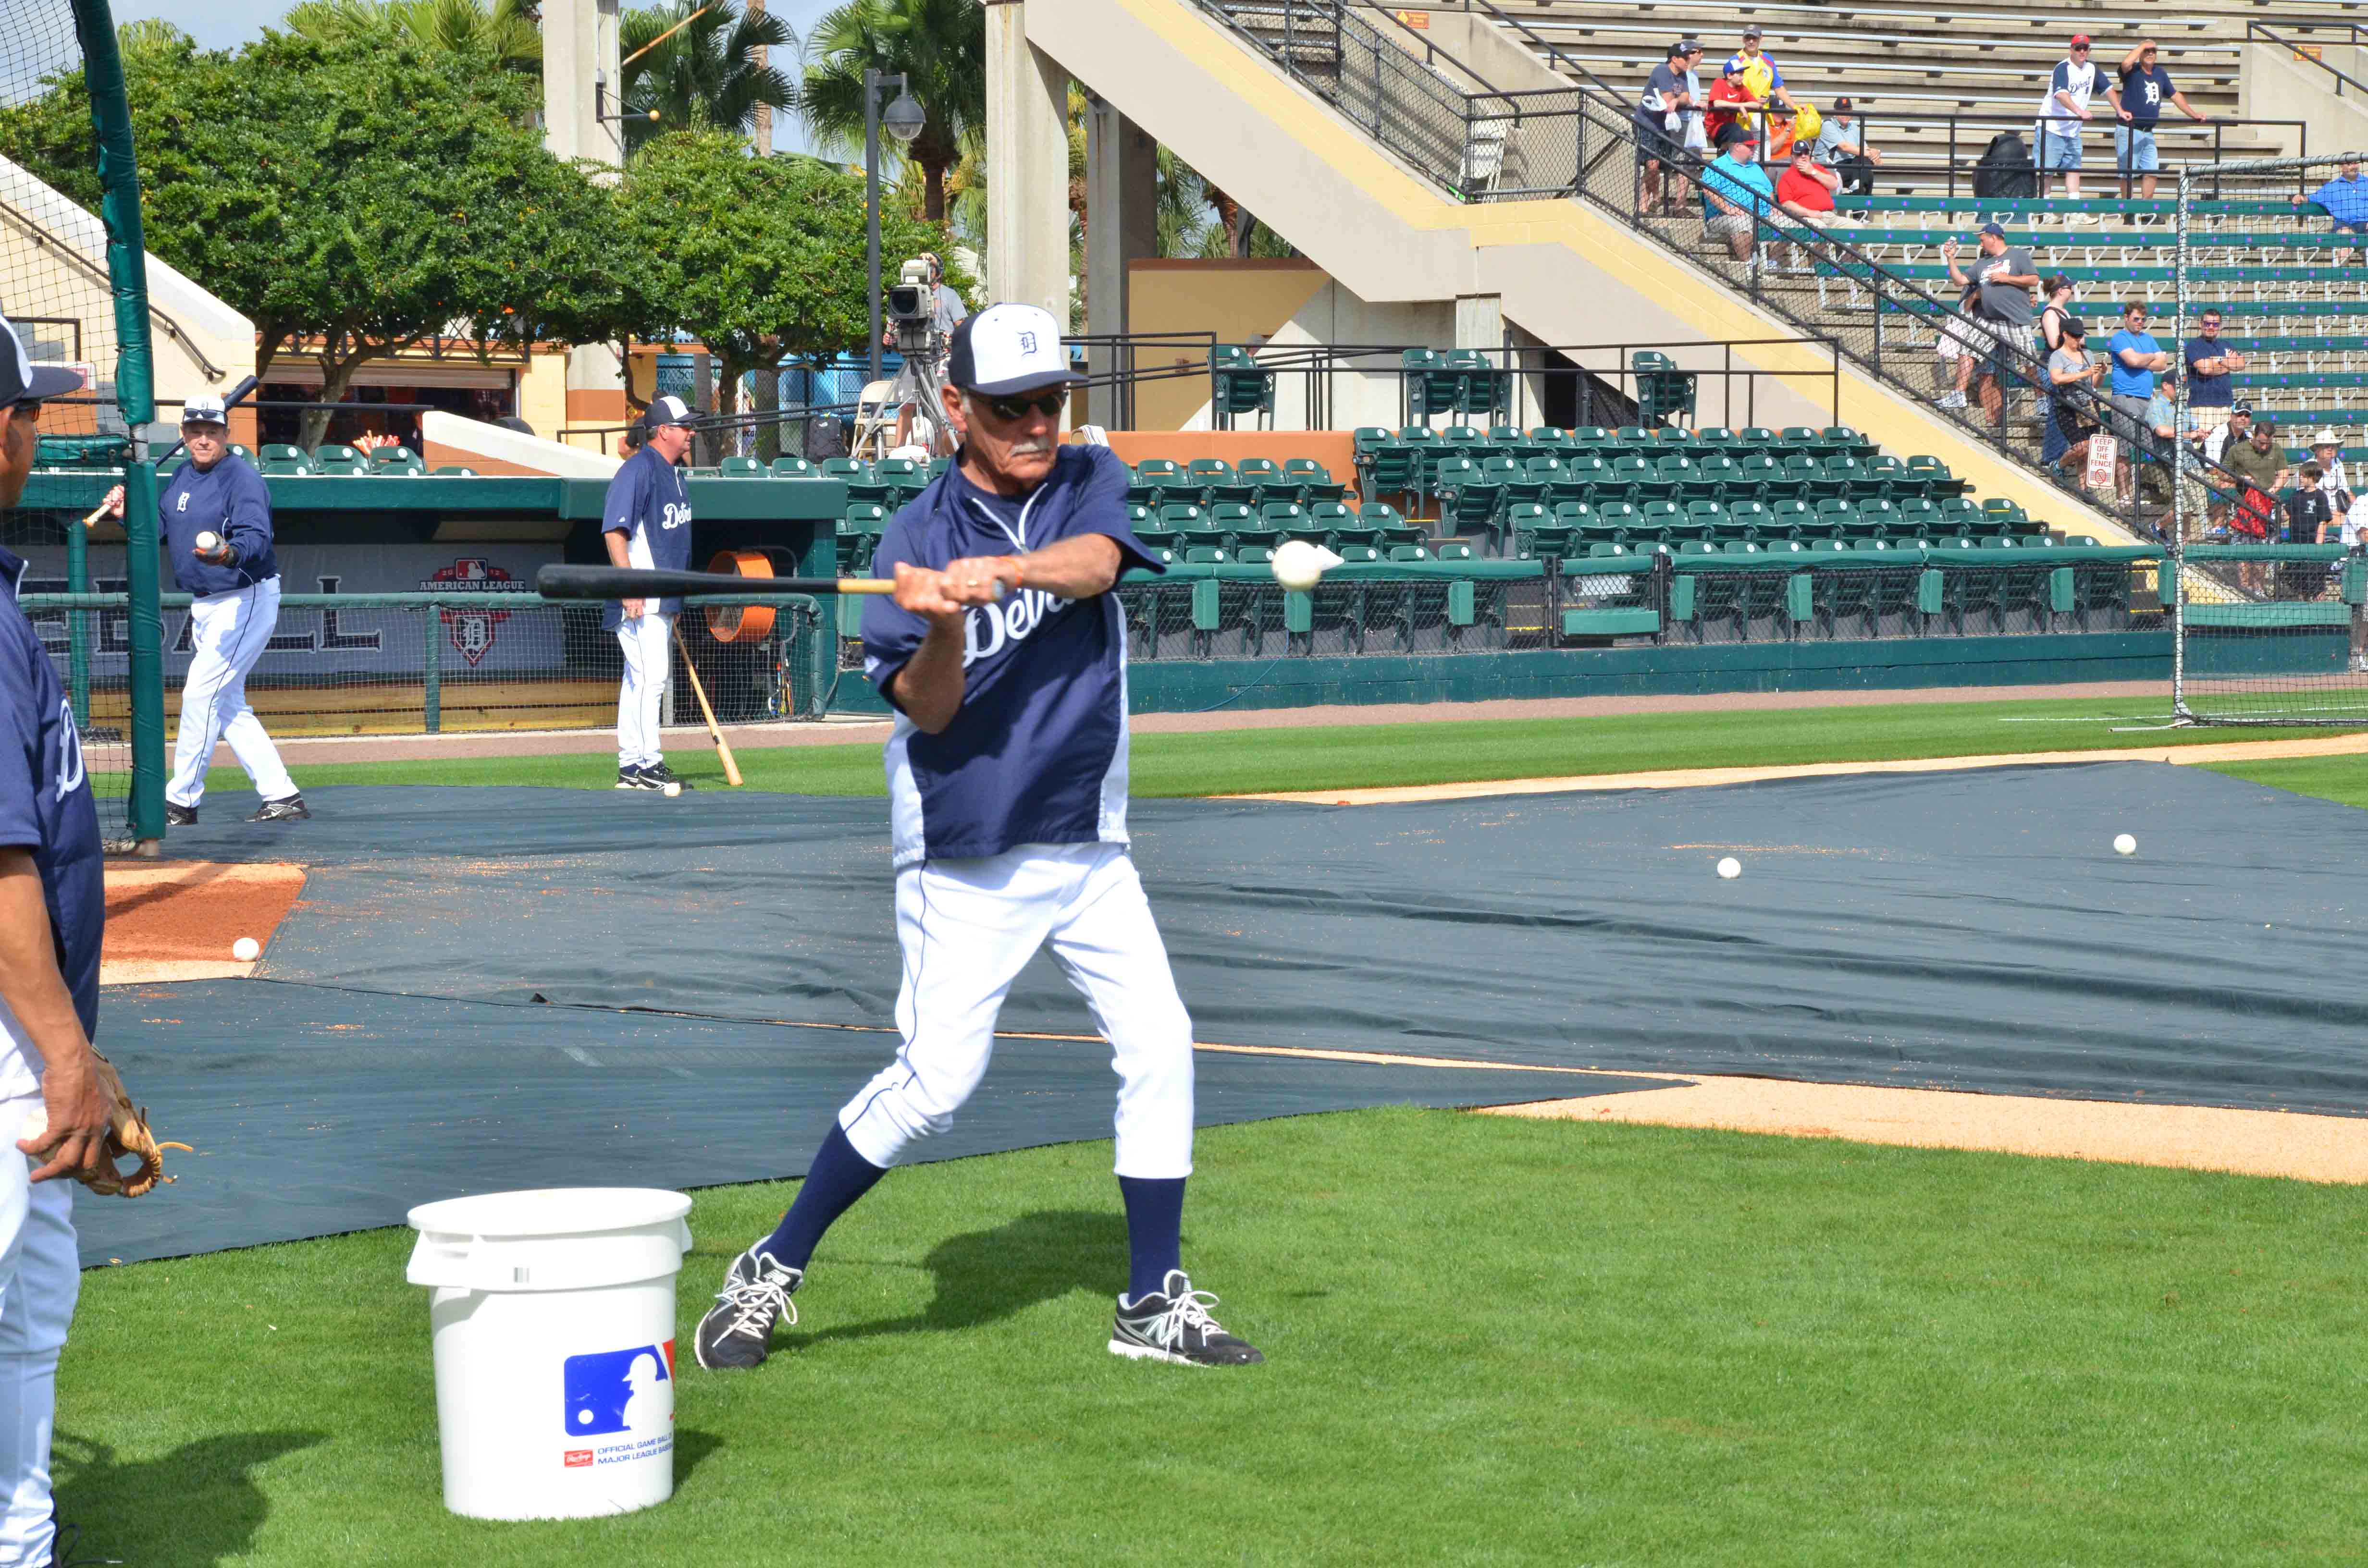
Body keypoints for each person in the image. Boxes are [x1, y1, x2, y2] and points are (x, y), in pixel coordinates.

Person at [693, 302, 1260, 1375]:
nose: (1037, 423)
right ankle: (772, 1263)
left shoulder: (1087, 478)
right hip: (966, 846)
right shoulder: (913, 539)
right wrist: (945, 619)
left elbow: (1096, 564)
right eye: (1010, 408)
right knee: (936, 1084)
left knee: (1160, 1043)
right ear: (957, 408)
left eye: (1049, 401)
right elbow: (932, 710)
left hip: (1086, 838)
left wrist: (1004, 572)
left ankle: (1150, 1300)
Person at [0, 313, 118, 1568]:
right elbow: (0, 864)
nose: (38, 428)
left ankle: (23, 1534)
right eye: (31, 408)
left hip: (25, 1032)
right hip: (5, 1038)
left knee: (34, 1305)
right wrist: (64, 1055)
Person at [98, 394, 305, 825]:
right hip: (206, 603)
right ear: (184, 434)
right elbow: (158, 528)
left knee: (200, 695)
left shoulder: (242, 478)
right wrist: (124, 513)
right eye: (196, 431)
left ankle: (181, 801)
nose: (204, 439)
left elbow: (256, 536)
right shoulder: (182, 475)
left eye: (213, 431)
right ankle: (282, 795)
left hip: (244, 596)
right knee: (227, 704)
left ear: (227, 434)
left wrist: (229, 554)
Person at [601, 394, 698, 793]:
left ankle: (631, 765)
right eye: (685, 426)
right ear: (663, 431)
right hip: (640, 595)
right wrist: (630, 587)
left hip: (661, 596)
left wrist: (674, 600)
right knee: (650, 678)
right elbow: (614, 532)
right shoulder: (638, 469)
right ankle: (647, 764)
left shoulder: (676, 474)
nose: (692, 432)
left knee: (639, 679)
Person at [1944, 223, 2039, 434]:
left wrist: (2007, 278)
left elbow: (2034, 279)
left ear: (1994, 238)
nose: (1981, 243)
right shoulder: (1982, 263)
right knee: (1967, 349)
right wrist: (1951, 258)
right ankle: (1958, 394)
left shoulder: (2018, 255)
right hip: (1988, 319)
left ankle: (2041, 401)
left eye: (1982, 239)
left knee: (2030, 362)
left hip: (2014, 320)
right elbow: (1960, 281)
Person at [2107, 40, 2206, 201]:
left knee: (2152, 171)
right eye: (2147, 51)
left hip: (2148, 133)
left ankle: (2146, 210)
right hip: (2129, 129)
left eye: (2153, 50)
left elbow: (2175, 95)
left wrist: (2193, 114)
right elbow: (2125, 63)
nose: (2150, 53)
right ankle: (2128, 210)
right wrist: (2143, 46)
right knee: (2128, 173)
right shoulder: (2133, 71)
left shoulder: (2160, 73)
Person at [889, 254, 970, 452]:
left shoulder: (949, 295)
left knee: (942, 409)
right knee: (906, 406)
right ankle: (898, 452)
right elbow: (894, 324)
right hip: (913, 357)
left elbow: (962, 327)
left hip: (940, 359)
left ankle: (941, 455)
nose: (926, 267)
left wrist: (950, 341)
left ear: (939, 271)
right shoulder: (905, 293)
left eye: (931, 265)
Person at [2104, 301, 2170, 502]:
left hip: (2146, 399)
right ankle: (2123, 493)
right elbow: (2132, 361)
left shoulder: (2148, 338)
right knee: (2125, 447)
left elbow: (2163, 364)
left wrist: (2142, 360)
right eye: (2136, 319)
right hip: (2126, 397)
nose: (2140, 323)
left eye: (2143, 319)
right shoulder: (2120, 338)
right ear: (2126, 318)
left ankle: (2140, 489)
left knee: (2147, 447)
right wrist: (2150, 357)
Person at [1635, 39, 1702, 216]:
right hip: (1648, 123)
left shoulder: (1683, 74)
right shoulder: (1662, 70)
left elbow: (1685, 98)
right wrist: (1676, 100)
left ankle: (1646, 204)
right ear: (1674, 59)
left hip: (1664, 125)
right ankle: (1654, 198)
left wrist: (1676, 100)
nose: (1688, 61)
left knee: (1658, 167)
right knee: (1652, 166)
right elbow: (1667, 100)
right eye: (1685, 58)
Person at [2036, 35, 2105, 202]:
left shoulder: (2091, 68)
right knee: (2047, 172)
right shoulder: (2063, 68)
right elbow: (2061, 95)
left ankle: (2074, 210)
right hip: (2052, 128)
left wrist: (2120, 110)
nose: (2082, 52)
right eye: (2078, 48)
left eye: (2085, 48)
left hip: (2072, 131)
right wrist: (2079, 112)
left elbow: (2108, 89)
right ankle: (2043, 210)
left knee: (2074, 170)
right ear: (2071, 50)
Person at [1702, 124, 1776, 267]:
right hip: (1725, 217)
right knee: (1742, 223)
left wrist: (1773, 207)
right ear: (1737, 147)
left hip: (1763, 214)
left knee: (1784, 224)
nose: (1753, 149)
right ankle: (1748, 264)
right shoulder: (1719, 165)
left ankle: (1773, 262)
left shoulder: (1755, 167)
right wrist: (1728, 209)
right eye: (1750, 146)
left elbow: (1769, 190)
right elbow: (1708, 190)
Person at [2047, 317, 2109, 486]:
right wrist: (2085, 373)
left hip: (2089, 405)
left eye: (2080, 336)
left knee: (2089, 449)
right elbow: (2056, 378)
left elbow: (2094, 383)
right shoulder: (2057, 356)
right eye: (2075, 336)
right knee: (2082, 447)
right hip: (2067, 407)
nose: (2078, 340)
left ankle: (2084, 489)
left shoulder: (2086, 354)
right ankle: (2058, 465)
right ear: (2065, 335)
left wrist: (2102, 372)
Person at [2182, 309, 2245, 437]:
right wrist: (2228, 363)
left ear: (2220, 326)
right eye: (2207, 323)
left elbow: (2240, 364)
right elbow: (2205, 369)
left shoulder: (2226, 345)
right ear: (2201, 324)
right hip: (2203, 406)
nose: (2211, 327)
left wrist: (2218, 360)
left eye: (2215, 324)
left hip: (2227, 405)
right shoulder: (2194, 346)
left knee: (2227, 445)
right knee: (2204, 445)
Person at [2037, 275, 2078, 466]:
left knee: (2065, 413)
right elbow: (2055, 342)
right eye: (2070, 287)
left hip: (2065, 366)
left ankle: (2059, 457)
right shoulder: (2051, 313)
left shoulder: (2064, 312)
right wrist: (2075, 340)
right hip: (2052, 366)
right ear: (2061, 290)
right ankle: (2051, 458)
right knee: (2058, 413)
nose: (2072, 291)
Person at [2293, 158, 2368, 260]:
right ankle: (2342, 269)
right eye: (2350, 164)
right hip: (2345, 225)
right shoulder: (2331, 188)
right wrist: (2299, 198)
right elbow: (2308, 199)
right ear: (2342, 167)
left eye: (2356, 163)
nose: (2354, 166)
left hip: (2366, 225)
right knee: (2344, 237)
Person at [1813, 98, 1881, 202]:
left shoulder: (1854, 128)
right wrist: (1874, 153)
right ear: (1835, 112)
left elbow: (1866, 150)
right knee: (1864, 169)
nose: (1845, 114)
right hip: (1832, 168)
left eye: (1848, 111)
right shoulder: (1828, 125)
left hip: (1852, 167)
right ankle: (1857, 194)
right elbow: (1845, 147)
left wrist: (1876, 156)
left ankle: (1857, 191)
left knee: (1867, 173)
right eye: (1842, 111)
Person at [1703, 59, 1760, 149]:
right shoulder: (1719, 82)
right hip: (1715, 127)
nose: (1743, 78)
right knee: (1736, 129)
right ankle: (1724, 151)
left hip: (1731, 129)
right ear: (1729, 76)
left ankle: (1730, 153)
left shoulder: (1741, 88)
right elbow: (1717, 103)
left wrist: (1741, 106)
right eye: (1740, 75)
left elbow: (1756, 105)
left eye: (1743, 75)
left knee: (1747, 135)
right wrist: (1739, 106)